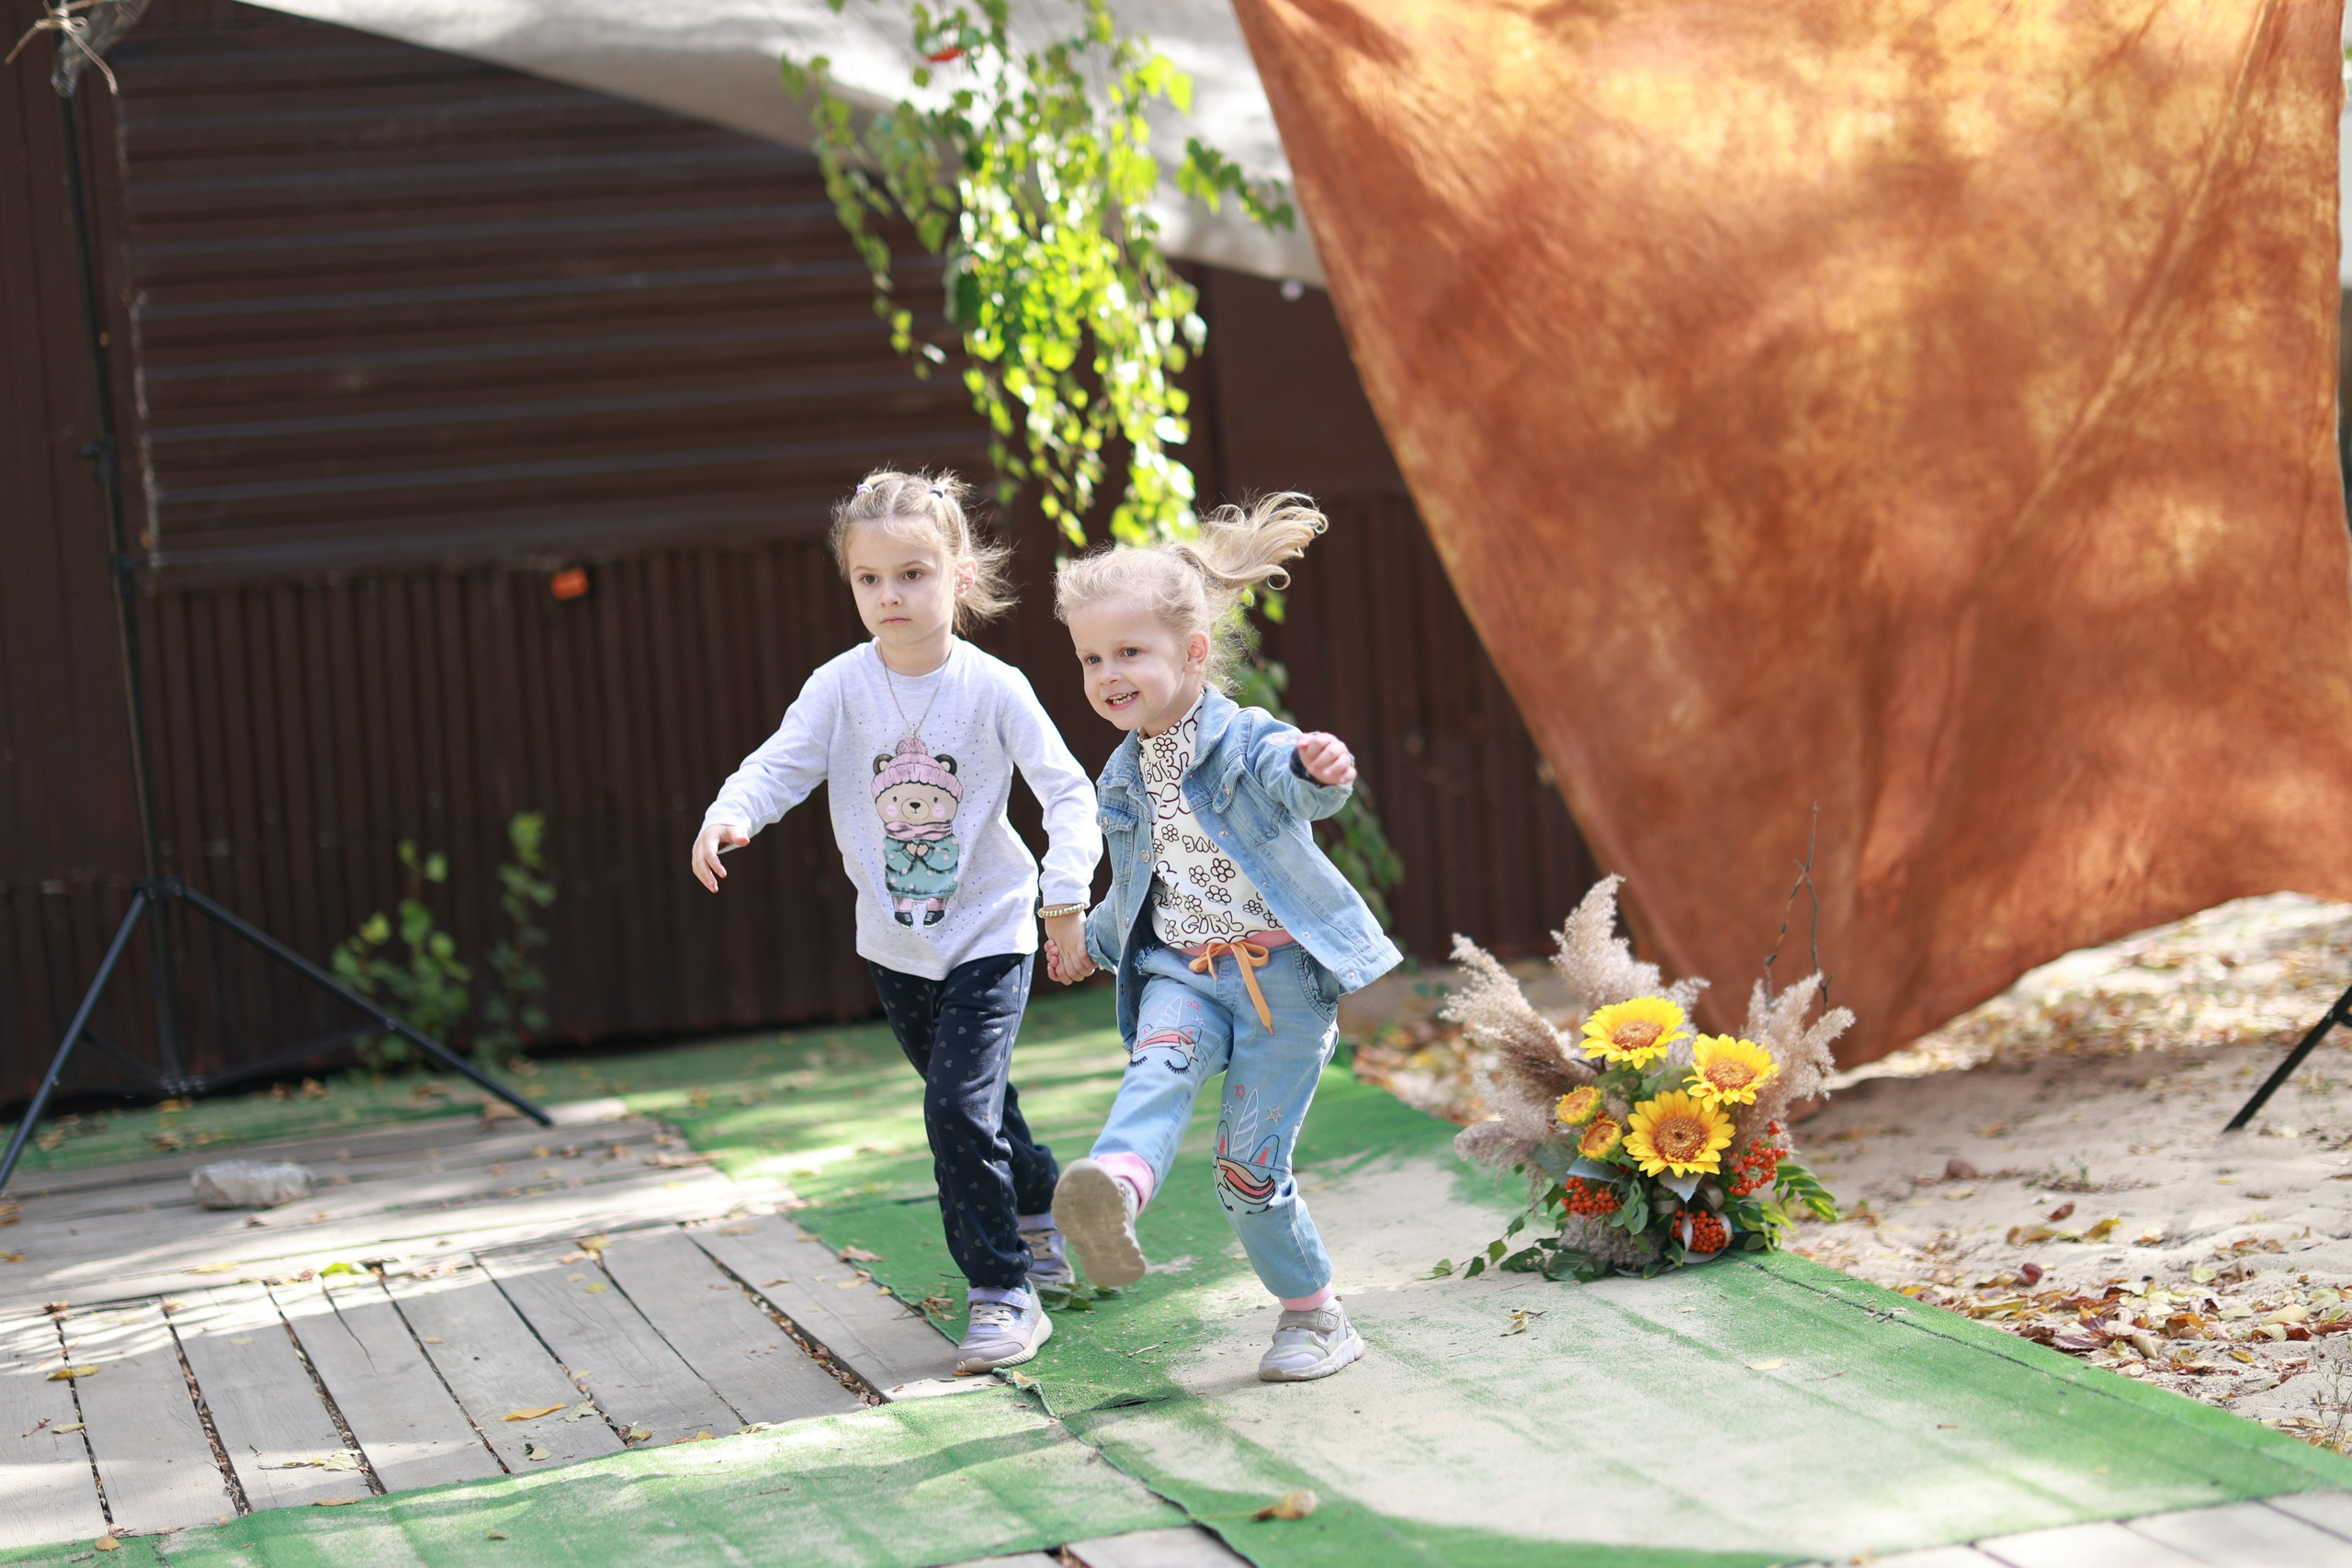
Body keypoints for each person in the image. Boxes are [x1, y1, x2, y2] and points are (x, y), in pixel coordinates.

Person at [691, 470, 1100, 1374]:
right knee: (976, 1104)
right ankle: (1038, 1199)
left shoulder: (994, 688)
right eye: (869, 578)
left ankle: (1003, 1291)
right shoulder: (840, 687)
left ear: (958, 577)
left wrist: (1064, 893)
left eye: (912, 574)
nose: (890, 595)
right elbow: (781, 764)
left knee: (953, 1106)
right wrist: (732, 812)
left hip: (991, 931)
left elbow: (1069, 792)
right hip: (896, 943)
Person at [1046, 493, 1401, 1382]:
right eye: (1092, 658)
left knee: (1246, 1172)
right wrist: (1086, 941)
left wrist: (1316, 768)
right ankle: (1114, 1189)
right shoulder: (1122, 776)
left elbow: (1292, 780)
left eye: (1129, 652)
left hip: (1282, 985)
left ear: (1194, 652)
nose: (1108, 674)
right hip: (1183, 969)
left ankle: (1315, 1317)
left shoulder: (1243, 739)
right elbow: (1142, 884)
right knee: (1157, 1066)